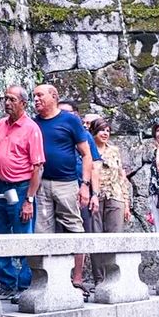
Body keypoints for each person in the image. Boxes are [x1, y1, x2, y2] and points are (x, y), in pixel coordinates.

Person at [33, 84, 99, 297]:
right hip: (41, 183)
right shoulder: (34, 123)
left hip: (67, 182)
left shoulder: (70, 120)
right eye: (34, 96)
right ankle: (47, 280)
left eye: (40, 95)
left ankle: (77, 278)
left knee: (74, 227)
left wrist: (85, 185)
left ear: (53, 96)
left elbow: (86, 155)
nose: (36, 99)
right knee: (42, 231)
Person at [0, 85, 45, 303]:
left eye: (12, 99)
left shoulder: (32, 129)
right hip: (2, 186)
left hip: (21, 187)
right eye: (5, 99)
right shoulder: (0, 125)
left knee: (23, 237)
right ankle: (7, 283)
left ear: (23, 103)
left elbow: (37, 167)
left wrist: (29, 199)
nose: (7, 103)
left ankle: (24, 284)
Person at [58, 99, 102, 292]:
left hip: (80, 190)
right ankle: (59, 278)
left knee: (79, 232)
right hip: (57, 189)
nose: (63, 116)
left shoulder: (84, 136)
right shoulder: (55, 133)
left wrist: (94, 194)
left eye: (67, 113)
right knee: (56, 234)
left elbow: (94, 166)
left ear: (76, 115)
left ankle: (77, 278)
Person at [89, 118, 131, 284]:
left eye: (107, 130)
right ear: (94, 132)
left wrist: (126, 202)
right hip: (95, 197)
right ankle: (99, 280)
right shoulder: (88, 149)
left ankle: (114, 278)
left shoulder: (114, 150)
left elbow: (121, 176)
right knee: (96, 238)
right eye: (101, 130)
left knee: (115, 238)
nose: (105, 133)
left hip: (115, 195)